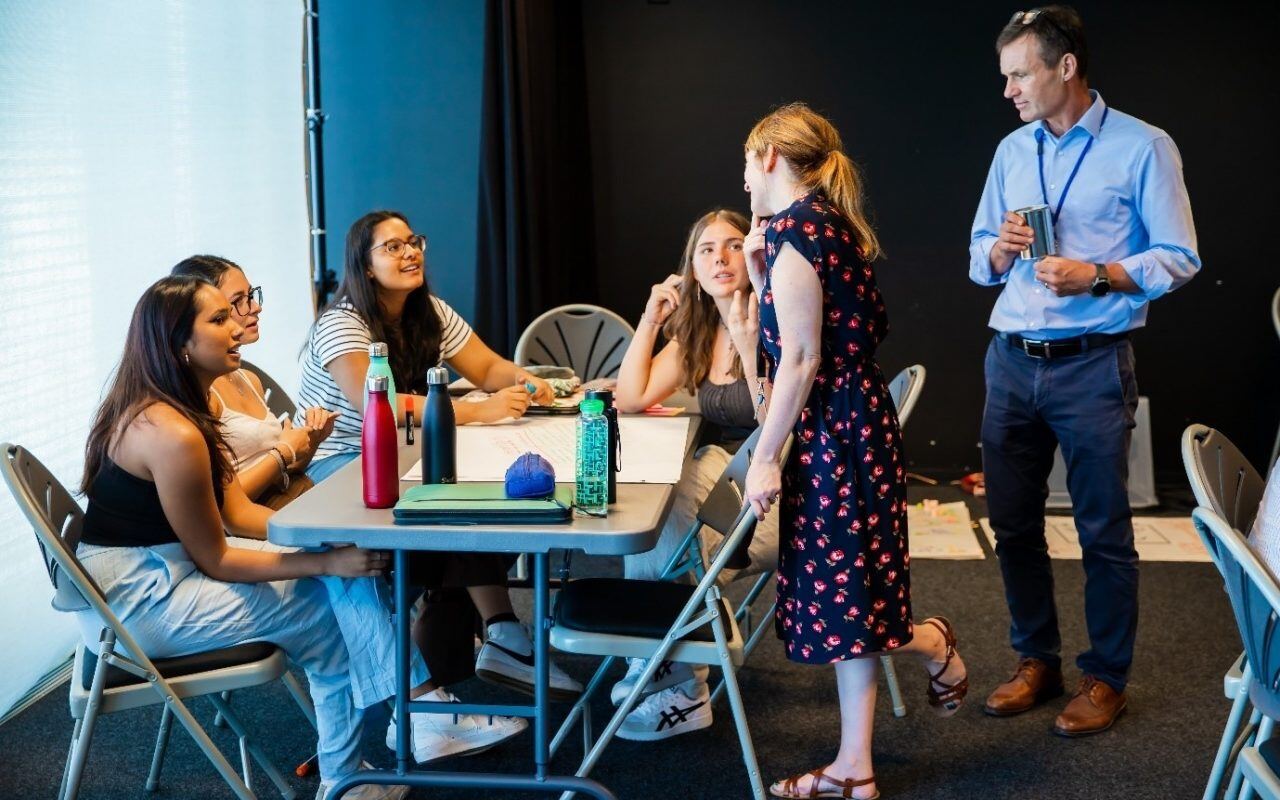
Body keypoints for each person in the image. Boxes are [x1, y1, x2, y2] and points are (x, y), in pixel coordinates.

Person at [74, 276, 524, 800]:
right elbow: (217, 557)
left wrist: (323, 541)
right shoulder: (173, 434)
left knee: (338, 583)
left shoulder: (181, 406)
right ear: (180, 345)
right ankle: (376, 752)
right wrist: (325, 562)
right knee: (325, 607)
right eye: (219, 319)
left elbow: (237, 512)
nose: (238, 326)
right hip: (140, 603)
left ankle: (396, 735)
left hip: (152, 573)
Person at [970, 6, 1200, 736]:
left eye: (1018, 74)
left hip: (1093, 365)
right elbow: (977, 260)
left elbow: (1179, 257)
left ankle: (1106, 679)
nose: (1008, 89)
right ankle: (1035, 661)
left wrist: (1098, 275)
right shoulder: (1012, 151)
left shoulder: (1144, 147)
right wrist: (1002, 251)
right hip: (1009, 360)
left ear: (1064, 66)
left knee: (1103, 531)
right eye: (1004, 75)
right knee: (1011, 526)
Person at [740, 103, 967, 800]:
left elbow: (802, 359)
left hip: (834, 428)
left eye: (747, 162)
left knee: (844, 596)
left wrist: (764, 455)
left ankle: (873, 737)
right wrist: (755, 280)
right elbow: (799, 341)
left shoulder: (800, 232)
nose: (744, 179)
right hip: (848, 422)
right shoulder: (816, 227)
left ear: (771, 157)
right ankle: (857, 767)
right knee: (849, 594)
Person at [297, 209, 581, 701]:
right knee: (448, 503)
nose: (409, 253)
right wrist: (478, 411)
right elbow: (376, 404)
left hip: (407, 452)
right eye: (392, 247)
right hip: (339, 464)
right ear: (364, 267)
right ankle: (501, 635)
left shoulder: (429, 311)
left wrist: (530, 382)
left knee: (473, 493)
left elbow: (488, 365)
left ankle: (499, 634)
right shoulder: (341, 324)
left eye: (413, 242)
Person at [611, 208, 781, 741]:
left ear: (754, 253)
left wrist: (748, 342)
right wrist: (650, 317)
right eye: (705, 250)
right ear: (692, 271)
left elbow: (776, 420)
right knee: (660, 514)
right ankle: (668, 665)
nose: (720, 258)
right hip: (733, 485)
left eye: (732, 245)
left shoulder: (773, 316)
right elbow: (630, 397)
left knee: (668, 527)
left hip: (782, 496)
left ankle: (677, 678)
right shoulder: (704, 332)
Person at [170, 255, 337, 507]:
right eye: (238, 302)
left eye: (251, 295)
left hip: (294, 496)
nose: (255, 307)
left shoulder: (248, 378)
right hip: (264, 514)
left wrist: (311, 441)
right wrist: (283, 452)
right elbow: (224, 503)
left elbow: (285, 469)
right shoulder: (199, 394)